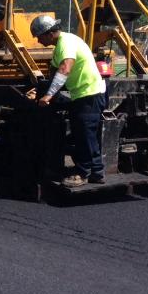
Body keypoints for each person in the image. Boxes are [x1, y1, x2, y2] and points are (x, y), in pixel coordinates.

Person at [31, 15, 107, 187]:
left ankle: (83, 173)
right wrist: (38, 90)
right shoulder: (60, 45)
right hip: (84, 94)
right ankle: (96, 172)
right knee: (86, 135)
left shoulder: (66, 43)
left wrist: (48, 96)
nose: (38, 40)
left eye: (39, 36)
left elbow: (65, 68)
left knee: (85, 135)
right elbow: (53, 71)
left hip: (89, 94)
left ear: (49, 33)